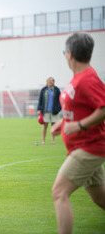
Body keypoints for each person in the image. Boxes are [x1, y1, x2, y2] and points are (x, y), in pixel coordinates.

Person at [51, 32, 105, 234]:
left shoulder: (88, 79)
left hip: (89, 148)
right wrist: (63, 122)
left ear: (70, 54)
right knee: (100, 199)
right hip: (82, 146)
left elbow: (103, 108)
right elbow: (83, 107)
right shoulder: (79, 79)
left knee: (59, 192)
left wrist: (79, 125)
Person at [37, 77, 61, 145]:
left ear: (53, 82)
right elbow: (40, 100)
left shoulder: (56, 90)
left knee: (53, 126)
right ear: (46, 82)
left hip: (54, 111)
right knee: (45, 126)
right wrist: (39, 109)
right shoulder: (43, 90)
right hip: (45, 111)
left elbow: (60, 99)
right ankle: (43, 140)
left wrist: (59, 108)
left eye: (51, 81)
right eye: (48, 81)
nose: (50, 82)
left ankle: (53, 140)